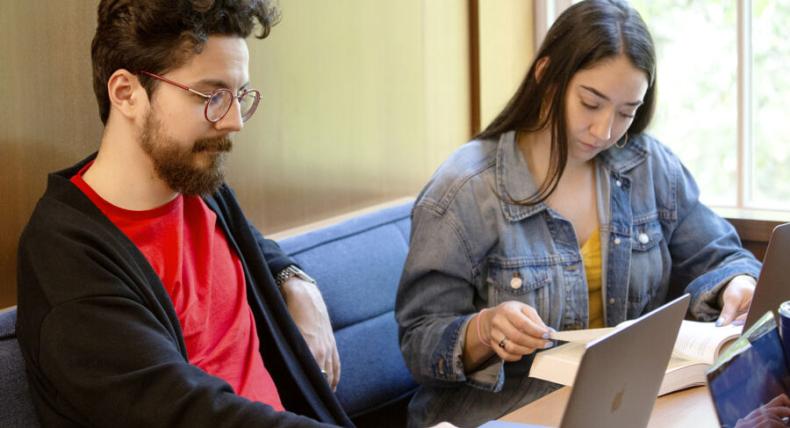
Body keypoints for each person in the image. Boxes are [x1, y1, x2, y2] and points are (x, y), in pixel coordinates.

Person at [395, 0, 762, 426]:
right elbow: (418, 343)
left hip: (617, 405)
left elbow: (721, 256)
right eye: (591, 103)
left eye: (627, 112)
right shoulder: (466, 189)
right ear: (547, 76)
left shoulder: (647, 166)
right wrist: (483, 329)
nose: (605, 131)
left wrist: (737, 281)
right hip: (503, 413)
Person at [16, 1, 351, 426]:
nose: (233, 121)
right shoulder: (66, 258)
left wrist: (295, 280)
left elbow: (253, 247)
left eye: (239, 95)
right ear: (126, 93)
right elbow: (182, 411)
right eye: (211, 95)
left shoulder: (198, 188)